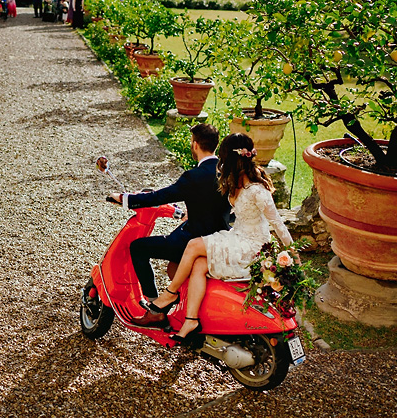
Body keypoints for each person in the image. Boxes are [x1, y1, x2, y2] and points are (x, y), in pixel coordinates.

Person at [141, 132, 297, 339]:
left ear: (230, 159)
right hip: (237, 236)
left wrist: (293, 254)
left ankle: (168, 295)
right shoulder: (236, 181)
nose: (220, 164)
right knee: (198, 265)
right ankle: (191, 321)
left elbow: (277, 223)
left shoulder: (258, 190)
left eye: (222, 158)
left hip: (252, 245)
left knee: (194, 245)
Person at [109, 123, 230, 326]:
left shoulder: (194, 177)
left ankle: (155, 305)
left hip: (194, 239)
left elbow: (161, 196)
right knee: (172, 265)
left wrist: (125, 198)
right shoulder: (226, 173)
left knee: (138, 247)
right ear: (215, 146)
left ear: (195, 145)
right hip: (219, 237)